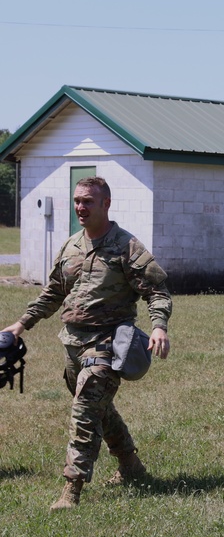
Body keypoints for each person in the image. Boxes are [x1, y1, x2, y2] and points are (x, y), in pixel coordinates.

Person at [2, 176, 172, 510]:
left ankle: (72, 488)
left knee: (84, 411)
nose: (81, 207)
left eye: (88, 201)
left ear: (106, 204)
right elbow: (53, 292)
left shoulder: (127, 247)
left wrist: (159, 326)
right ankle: (131, 466)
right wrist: (22, 324)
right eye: (77, 200)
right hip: (72, 344)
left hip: (108, 343)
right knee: (98, 408)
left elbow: (157, 290)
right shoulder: (70, 246)